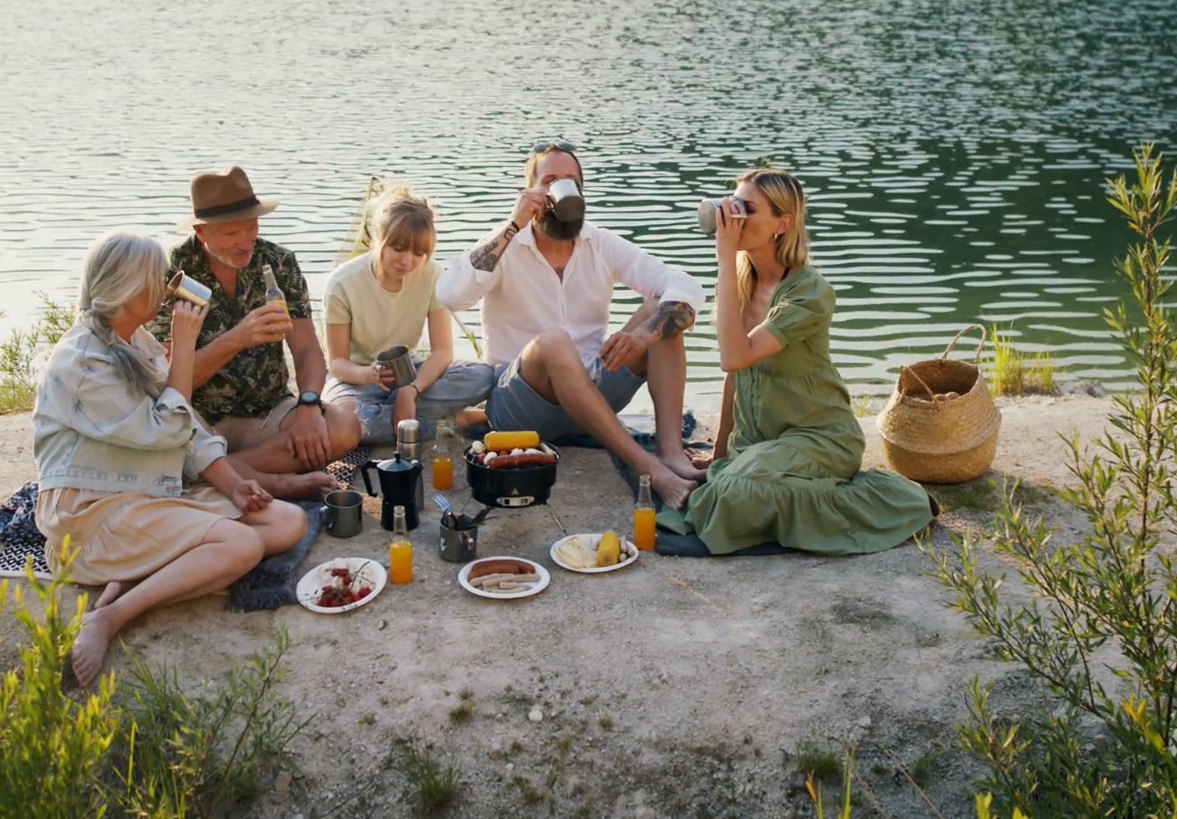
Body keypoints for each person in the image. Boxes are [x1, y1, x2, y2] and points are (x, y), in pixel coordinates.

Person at [34, 232, 309, 689]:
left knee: (286, 522)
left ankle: (138, 575)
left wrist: (232, 484)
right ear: (129, 288)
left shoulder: (134, 340)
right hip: (91, 512)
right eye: (159, 279)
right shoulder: (80, 363)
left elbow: (190, 430)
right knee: (242, 546)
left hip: (145, 491)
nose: (167, 288)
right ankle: (112, 614)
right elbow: (165, 428)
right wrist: (184, 347)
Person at [658, 169, 933, 555]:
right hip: (760, 444)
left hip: (820, 439)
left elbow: (733, 357)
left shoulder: (809, 293)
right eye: (732, 204)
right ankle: (757, 484)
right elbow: (735, 376)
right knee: (725, 480)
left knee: (733, 489)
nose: (733, 217)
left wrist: (723, 256)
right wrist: (720, 455)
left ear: (782, 224)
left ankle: (884, 501)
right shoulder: (741, 282)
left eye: (746, 209)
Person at [438, 142, 708, 507]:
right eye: (549, 180)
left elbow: (685, 284)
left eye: (570, 181)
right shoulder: (506, 244)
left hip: (593, 394)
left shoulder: (600, 243)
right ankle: (651, 470)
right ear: (530, 191)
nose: (561, 189)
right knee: (554, 342)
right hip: (520, 405)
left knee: (662, 313)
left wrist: (646, 334)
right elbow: (451, 295)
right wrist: (514, 223)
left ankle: (671, 453)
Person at [151, 166, 360, 489]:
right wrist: (236, 339)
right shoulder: (171, 273)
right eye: (231, 234)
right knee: (161, 442)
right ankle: (256, 476)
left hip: (270, 415)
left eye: (252, 227)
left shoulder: (279, 262)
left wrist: (308, 404)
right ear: (202, 232)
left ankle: (209, 473)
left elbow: (306, 347)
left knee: (345, 429)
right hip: (199, 420)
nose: (245, 242)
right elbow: (171, 384)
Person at [323, 187, 494, 445]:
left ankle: (402, 415)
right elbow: (337, 363)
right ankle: (452, 421)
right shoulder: (342, 283)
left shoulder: (433, 275)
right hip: (357, 381)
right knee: (345, 422)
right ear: (378, 237)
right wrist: (369, 375)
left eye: (418, 253)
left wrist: (410, 390)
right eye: (398, 248)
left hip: (409, 374)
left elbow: (442, 352)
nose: (407, 261)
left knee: (483, 375)